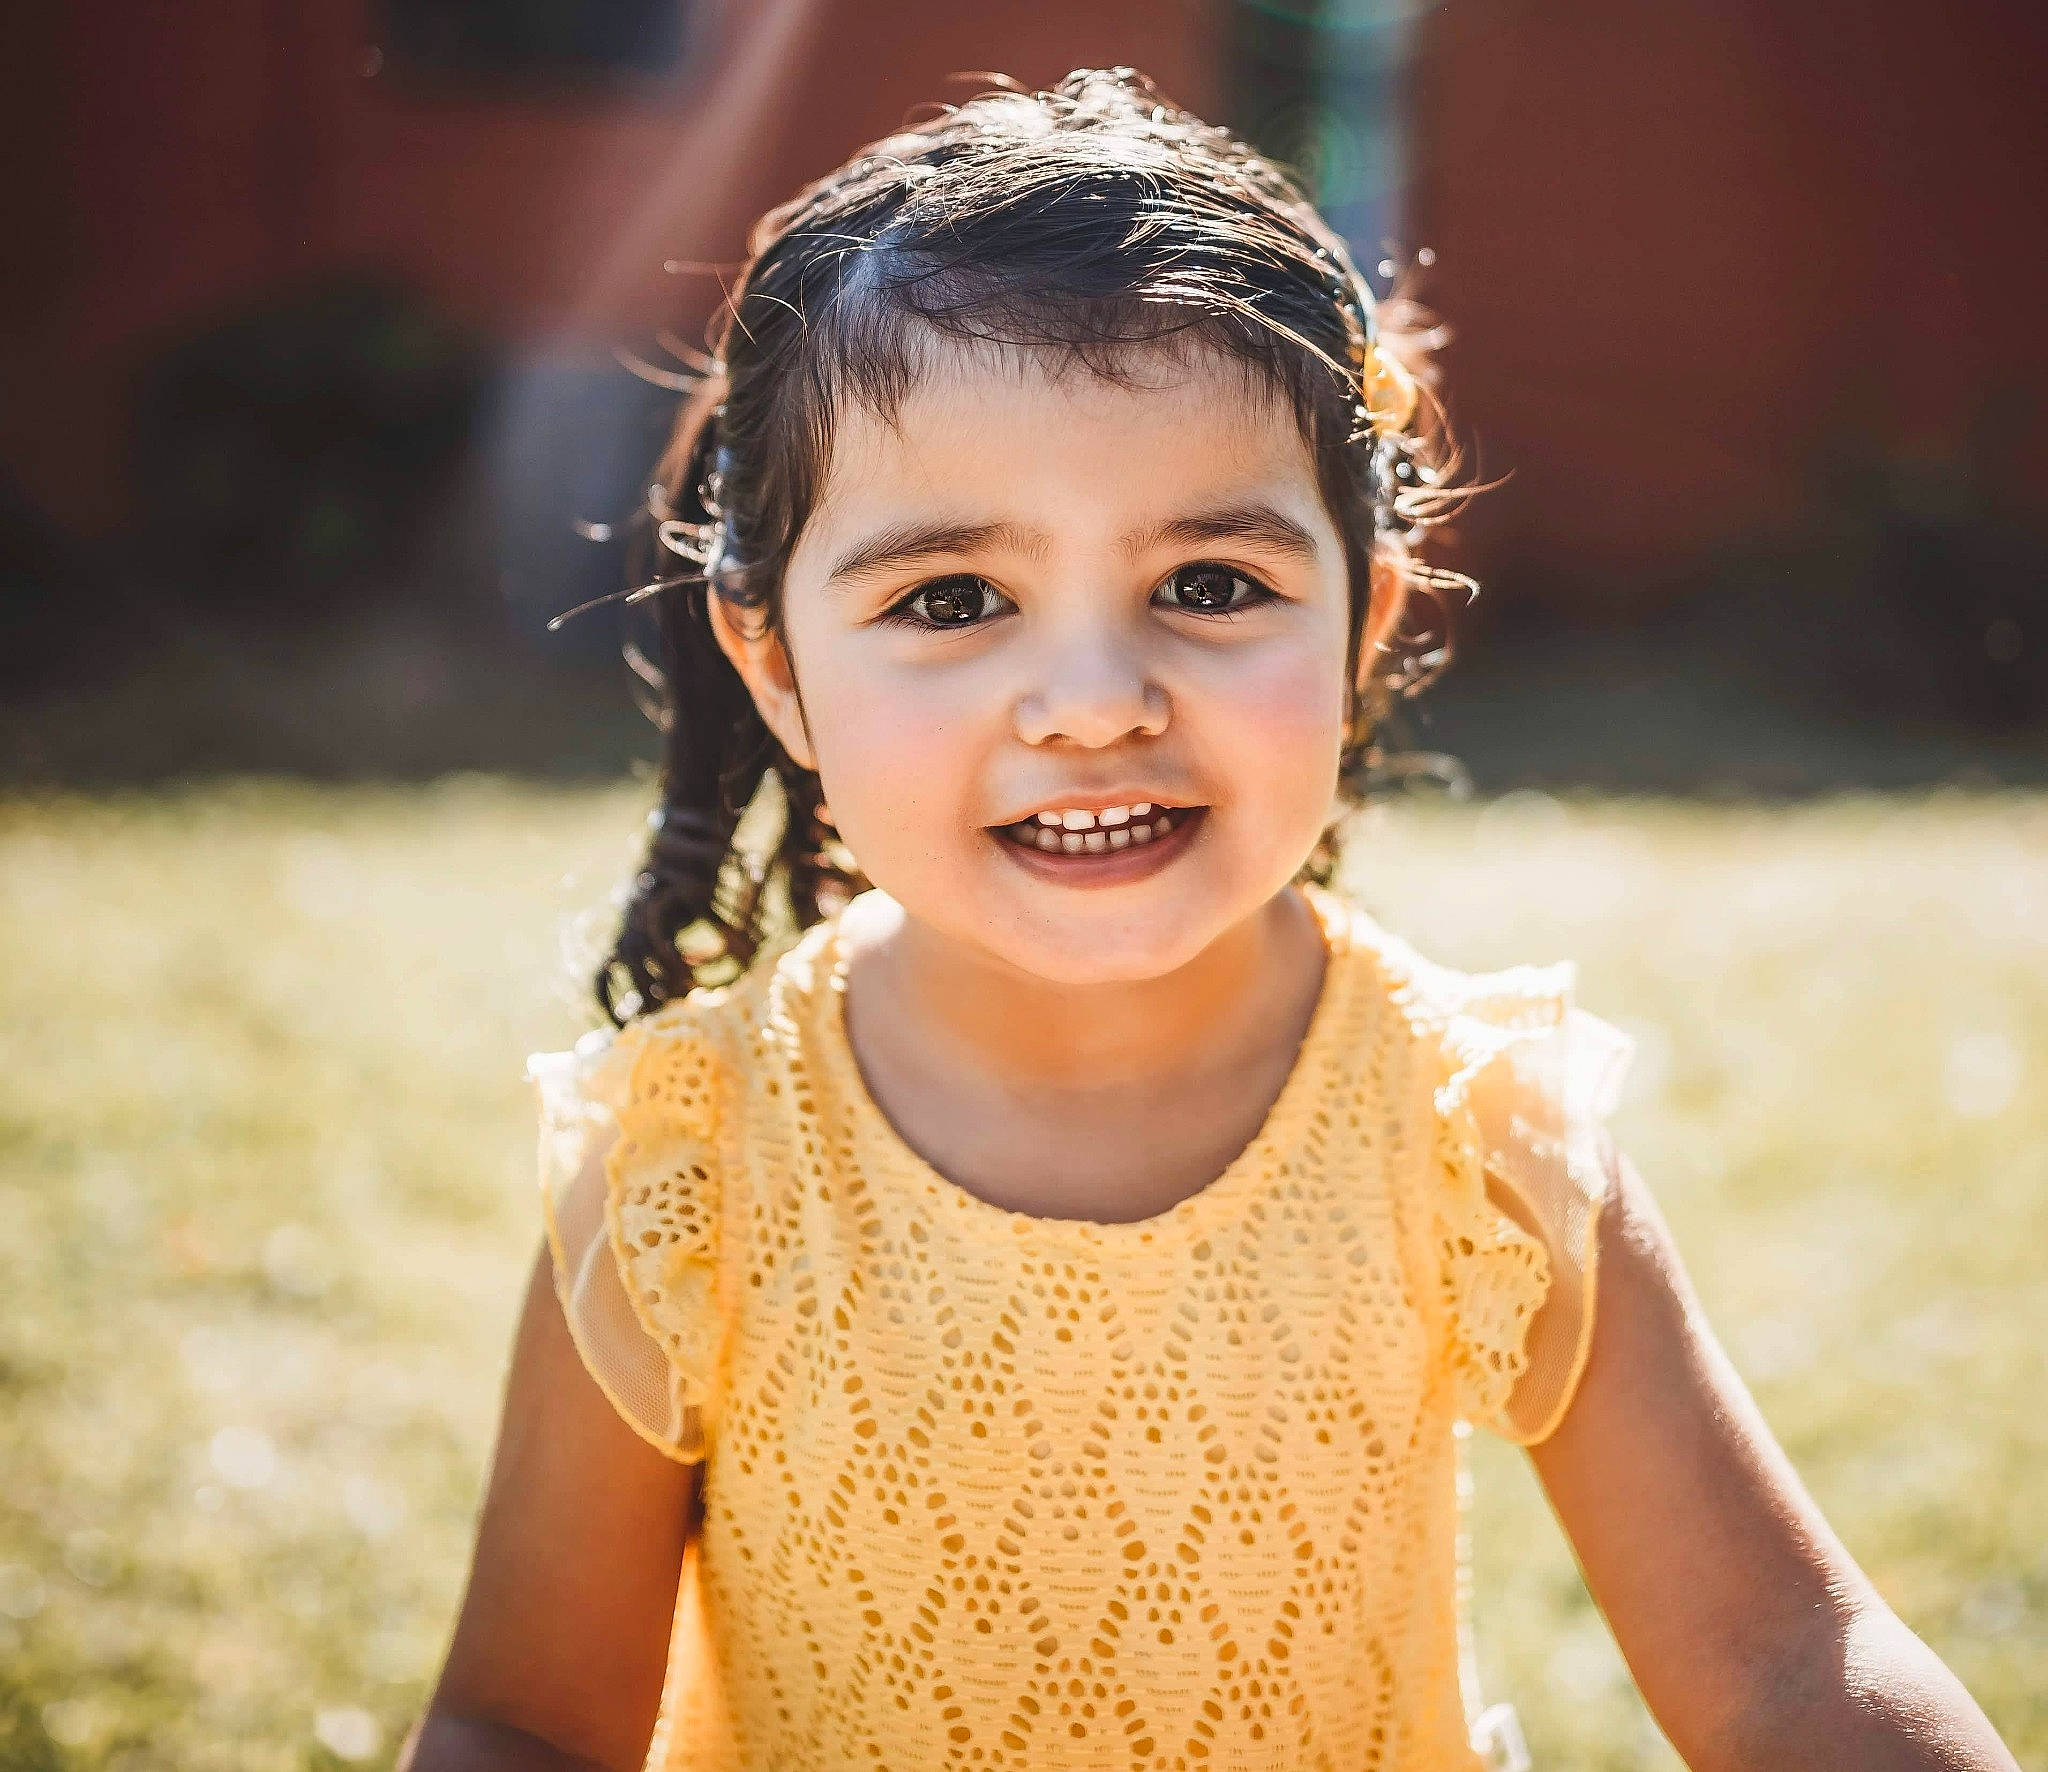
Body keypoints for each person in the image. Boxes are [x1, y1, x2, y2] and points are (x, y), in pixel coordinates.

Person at [403, 69, 2018, 1772]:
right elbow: (522, 1722)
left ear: (1364, 618)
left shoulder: (1472, 1132)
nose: (1095, 701)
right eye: (953, 600)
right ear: (776, 666)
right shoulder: (691, 1166)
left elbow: (1783, 1668)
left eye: (1211, 586)